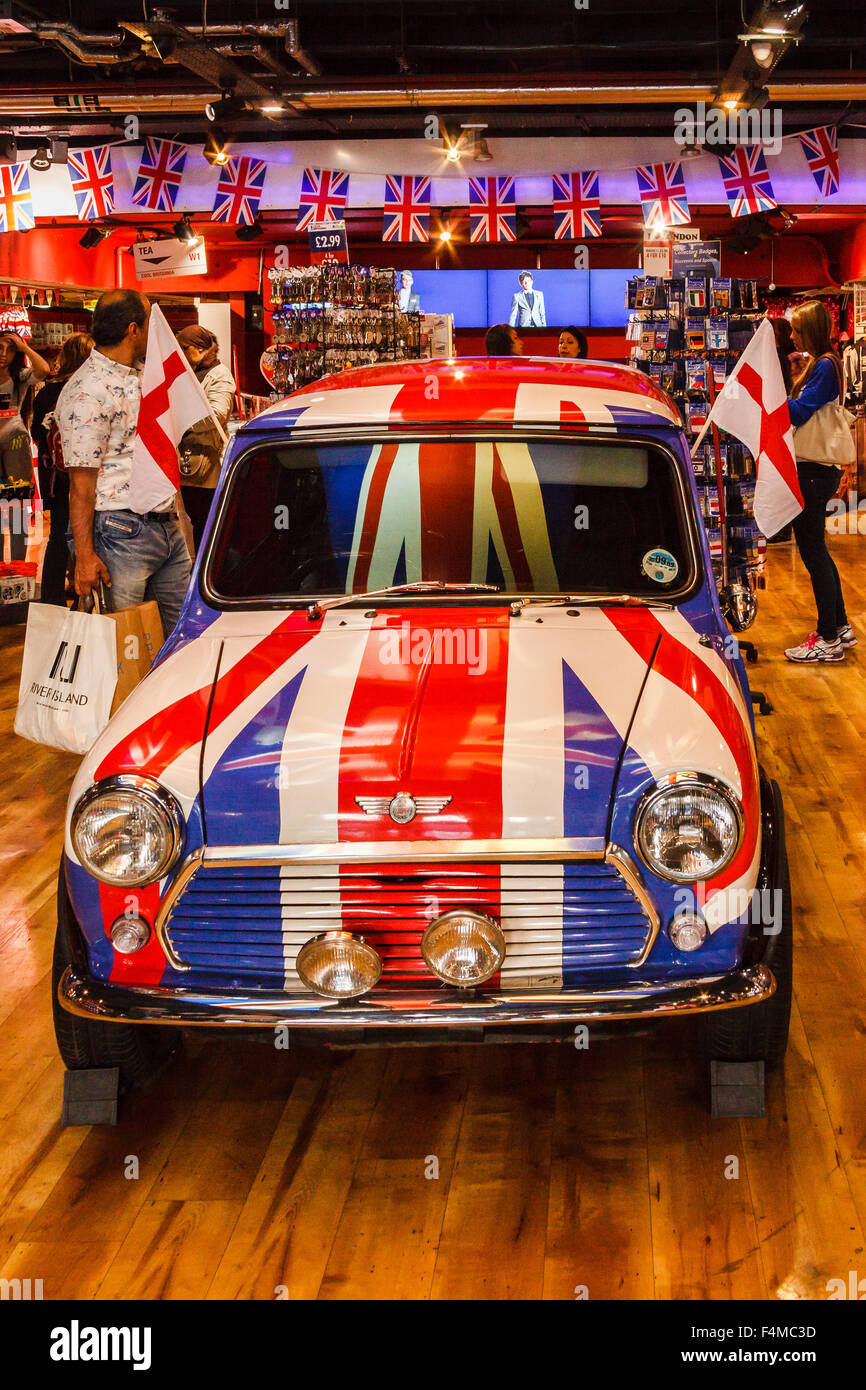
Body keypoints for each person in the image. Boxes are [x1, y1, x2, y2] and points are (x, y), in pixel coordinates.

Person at [55, 288, 191, 639]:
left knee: (180, 636)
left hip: (163, 526)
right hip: (119, 529)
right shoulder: (87, 391)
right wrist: (84, 557)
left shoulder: (140, 374)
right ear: (134, 330)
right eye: (149, 324)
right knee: (121, 645)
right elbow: (80, 487)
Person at [783, 300, 853, 664]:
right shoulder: (823, 363)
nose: (792, 336)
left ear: (809, 329)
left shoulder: (825, 366)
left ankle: (828, 637)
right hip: (816, 469)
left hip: (813, 469)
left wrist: (770, 397)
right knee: (817, 550)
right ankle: (839, 626)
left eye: (796, 330)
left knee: (813, 551)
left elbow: (799, 412)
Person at [31, 332, 93, 606]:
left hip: (55, 479)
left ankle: (51, 603)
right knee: (90, 538)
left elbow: (36, 434)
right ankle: (87, 601)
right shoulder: (92, 390)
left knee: (58, 539)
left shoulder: (47, 392)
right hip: (90, 479)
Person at [176, 325, 236, 552]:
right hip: (190, 464)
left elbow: (216, 415)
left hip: (207, 465)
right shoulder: (189, 373)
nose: (180, 352)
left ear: (200, 349)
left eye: (184, 348)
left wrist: (181, 421)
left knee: (207, 524)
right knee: (197, 522)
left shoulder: (219, 375)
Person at [0, 330, 49, 562]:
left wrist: (25, 348)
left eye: (9, 349)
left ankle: (18, 564)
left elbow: (44, 370)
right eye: (0, 348)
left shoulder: (20, 376)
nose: (3, 354)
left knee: (17, 505)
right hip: (13, 439)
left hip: (15, 442)